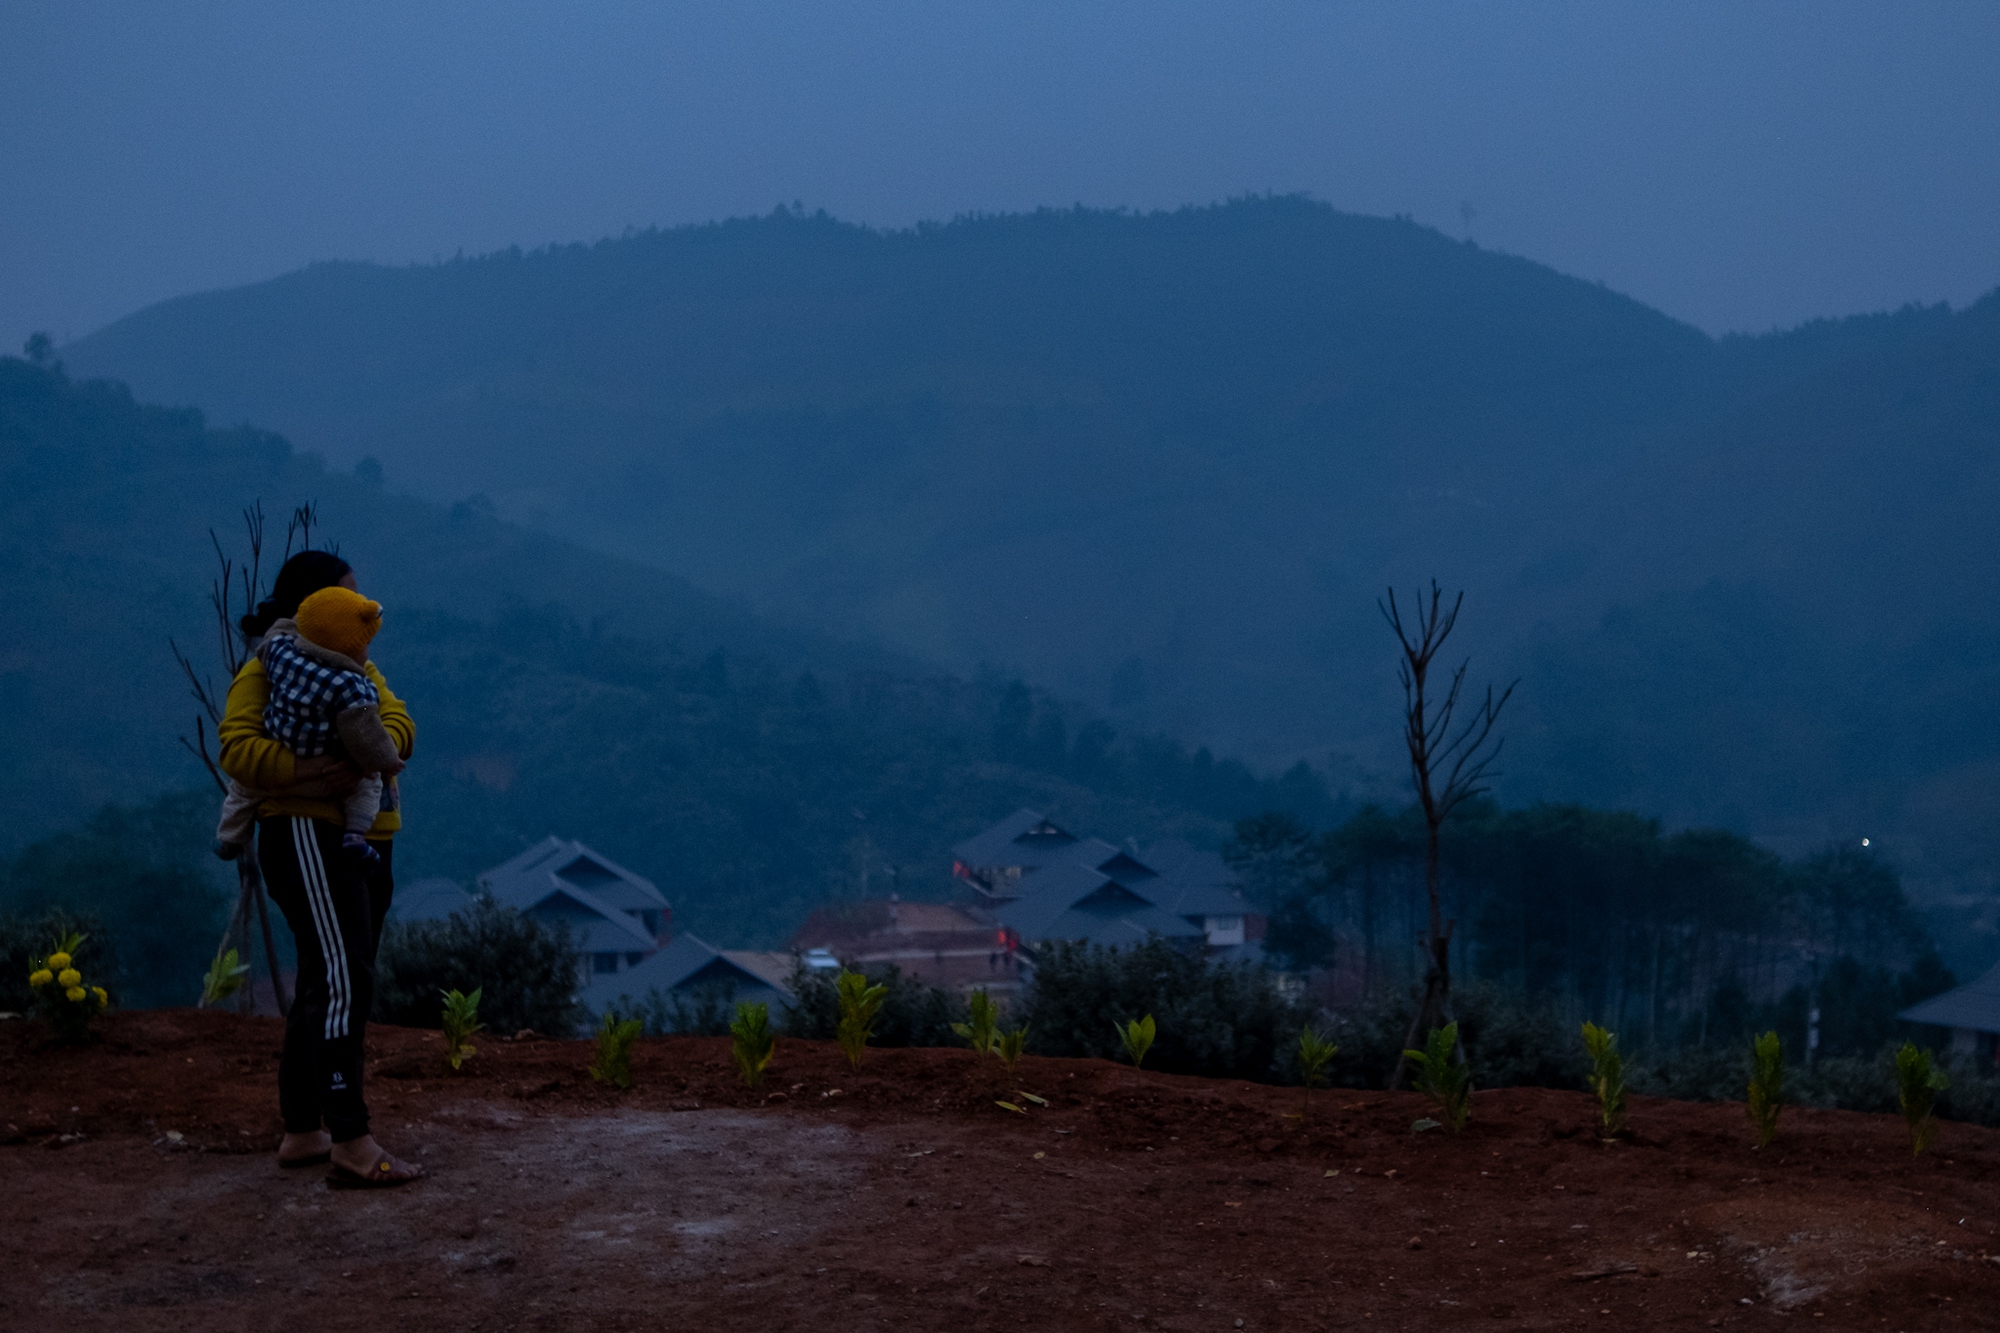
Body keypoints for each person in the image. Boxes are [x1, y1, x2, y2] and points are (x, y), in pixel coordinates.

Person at [218, 549, 424, 1188]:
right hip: (309, 831)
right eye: (351, 597)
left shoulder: (352, 665)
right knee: (343, 976)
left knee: (325, 975)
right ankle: (351, 1139)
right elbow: (239, 748)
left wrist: (373, 749)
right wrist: (314, 770)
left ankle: (303, 1127)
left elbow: (400, 723)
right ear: (314, 605)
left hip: (367, 835)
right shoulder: (268, 668)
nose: (364, 610)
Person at [213, 585, 405, 864]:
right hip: (323, 784)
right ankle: (355, 834)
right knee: (370, 785)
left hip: (277, 775)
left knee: (242, 790)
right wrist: (385, 760)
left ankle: (229, 837)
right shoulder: (354, 688)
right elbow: (367, 732)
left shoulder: (280, 653)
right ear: (349, 648)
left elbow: (276, 632)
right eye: (365, 643)